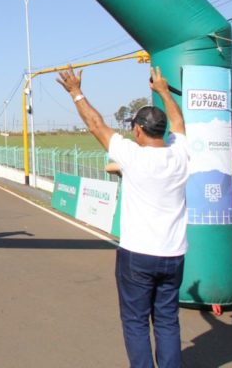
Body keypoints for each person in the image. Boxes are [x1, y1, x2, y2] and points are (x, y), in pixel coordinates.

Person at [57, 65, 188, 368]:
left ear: (139, 130)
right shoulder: (181, 153)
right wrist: (165, 92)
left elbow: (95, 124)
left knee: (136, 321)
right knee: (167, 321)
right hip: (174, 254)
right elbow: (179, 122)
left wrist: (76, 92)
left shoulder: (132, 155)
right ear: (163, 130)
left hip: (138, 255)